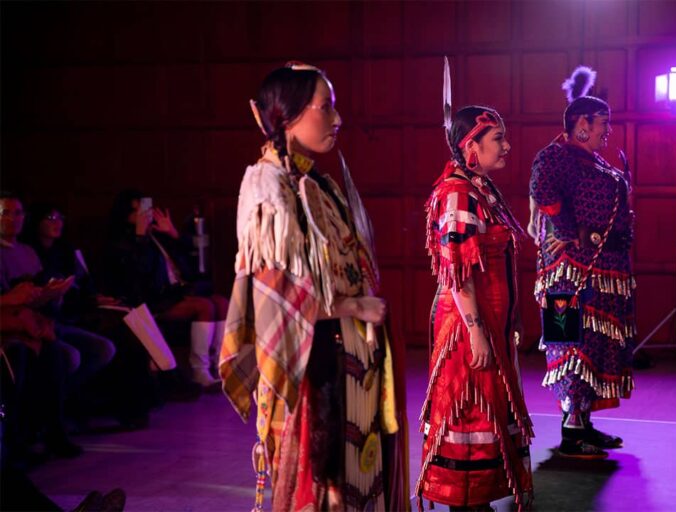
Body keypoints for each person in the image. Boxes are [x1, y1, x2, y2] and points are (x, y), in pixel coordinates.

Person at [219, 62, 409, 512]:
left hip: (348, 364)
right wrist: (354, 306)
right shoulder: (267, 187)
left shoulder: (316, 181)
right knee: (324, 490)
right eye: (326, 107)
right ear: (288, 115)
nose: (337, 119)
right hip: (313, 372)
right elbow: (274, 301)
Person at [417, 98, 534, 509]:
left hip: (490, 325)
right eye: (498, 139)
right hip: (468, 329)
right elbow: (458, 272)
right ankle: (466, 503)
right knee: (469, 412)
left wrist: (510, 318)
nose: (506, 147)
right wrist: (477, 331)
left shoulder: (482, 190)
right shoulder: (457, 195)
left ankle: (478, 501)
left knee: (488, 415)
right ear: (471, 145)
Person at [529, 66, 636, 459]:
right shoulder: (555, 157)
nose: (608, 130)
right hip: (567, 274)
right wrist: (568, 231)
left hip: (603, 274)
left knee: (593, 344)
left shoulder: (599, 162)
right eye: (602, 123)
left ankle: (584, 423)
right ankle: (572, 430)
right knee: (568, 345)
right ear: (581, 124)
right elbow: (543, 191)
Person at [22, 203, 155, 428]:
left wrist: (95, 298)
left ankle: (136, 405)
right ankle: (97, 406)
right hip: (56, 315)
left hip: (77, 309)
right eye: (50, 217)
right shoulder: (31, 252)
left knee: (132, 329)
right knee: (118, 336)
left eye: (59, 217)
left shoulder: (64, 250)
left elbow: (83, 284)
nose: (57, 222)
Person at [104, 191, 228, 388]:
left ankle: (219, 365)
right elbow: (139, 275)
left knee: (221, 303)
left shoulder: (157, 236)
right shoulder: (124, 242)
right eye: (138, 211)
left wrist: (173, 234)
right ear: (126, 216)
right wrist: (140, 237)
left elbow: (189, 267)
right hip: (153, 300)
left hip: (177, 292)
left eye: (147, 209)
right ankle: (200, 370)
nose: (146, 215)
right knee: (204, 306)